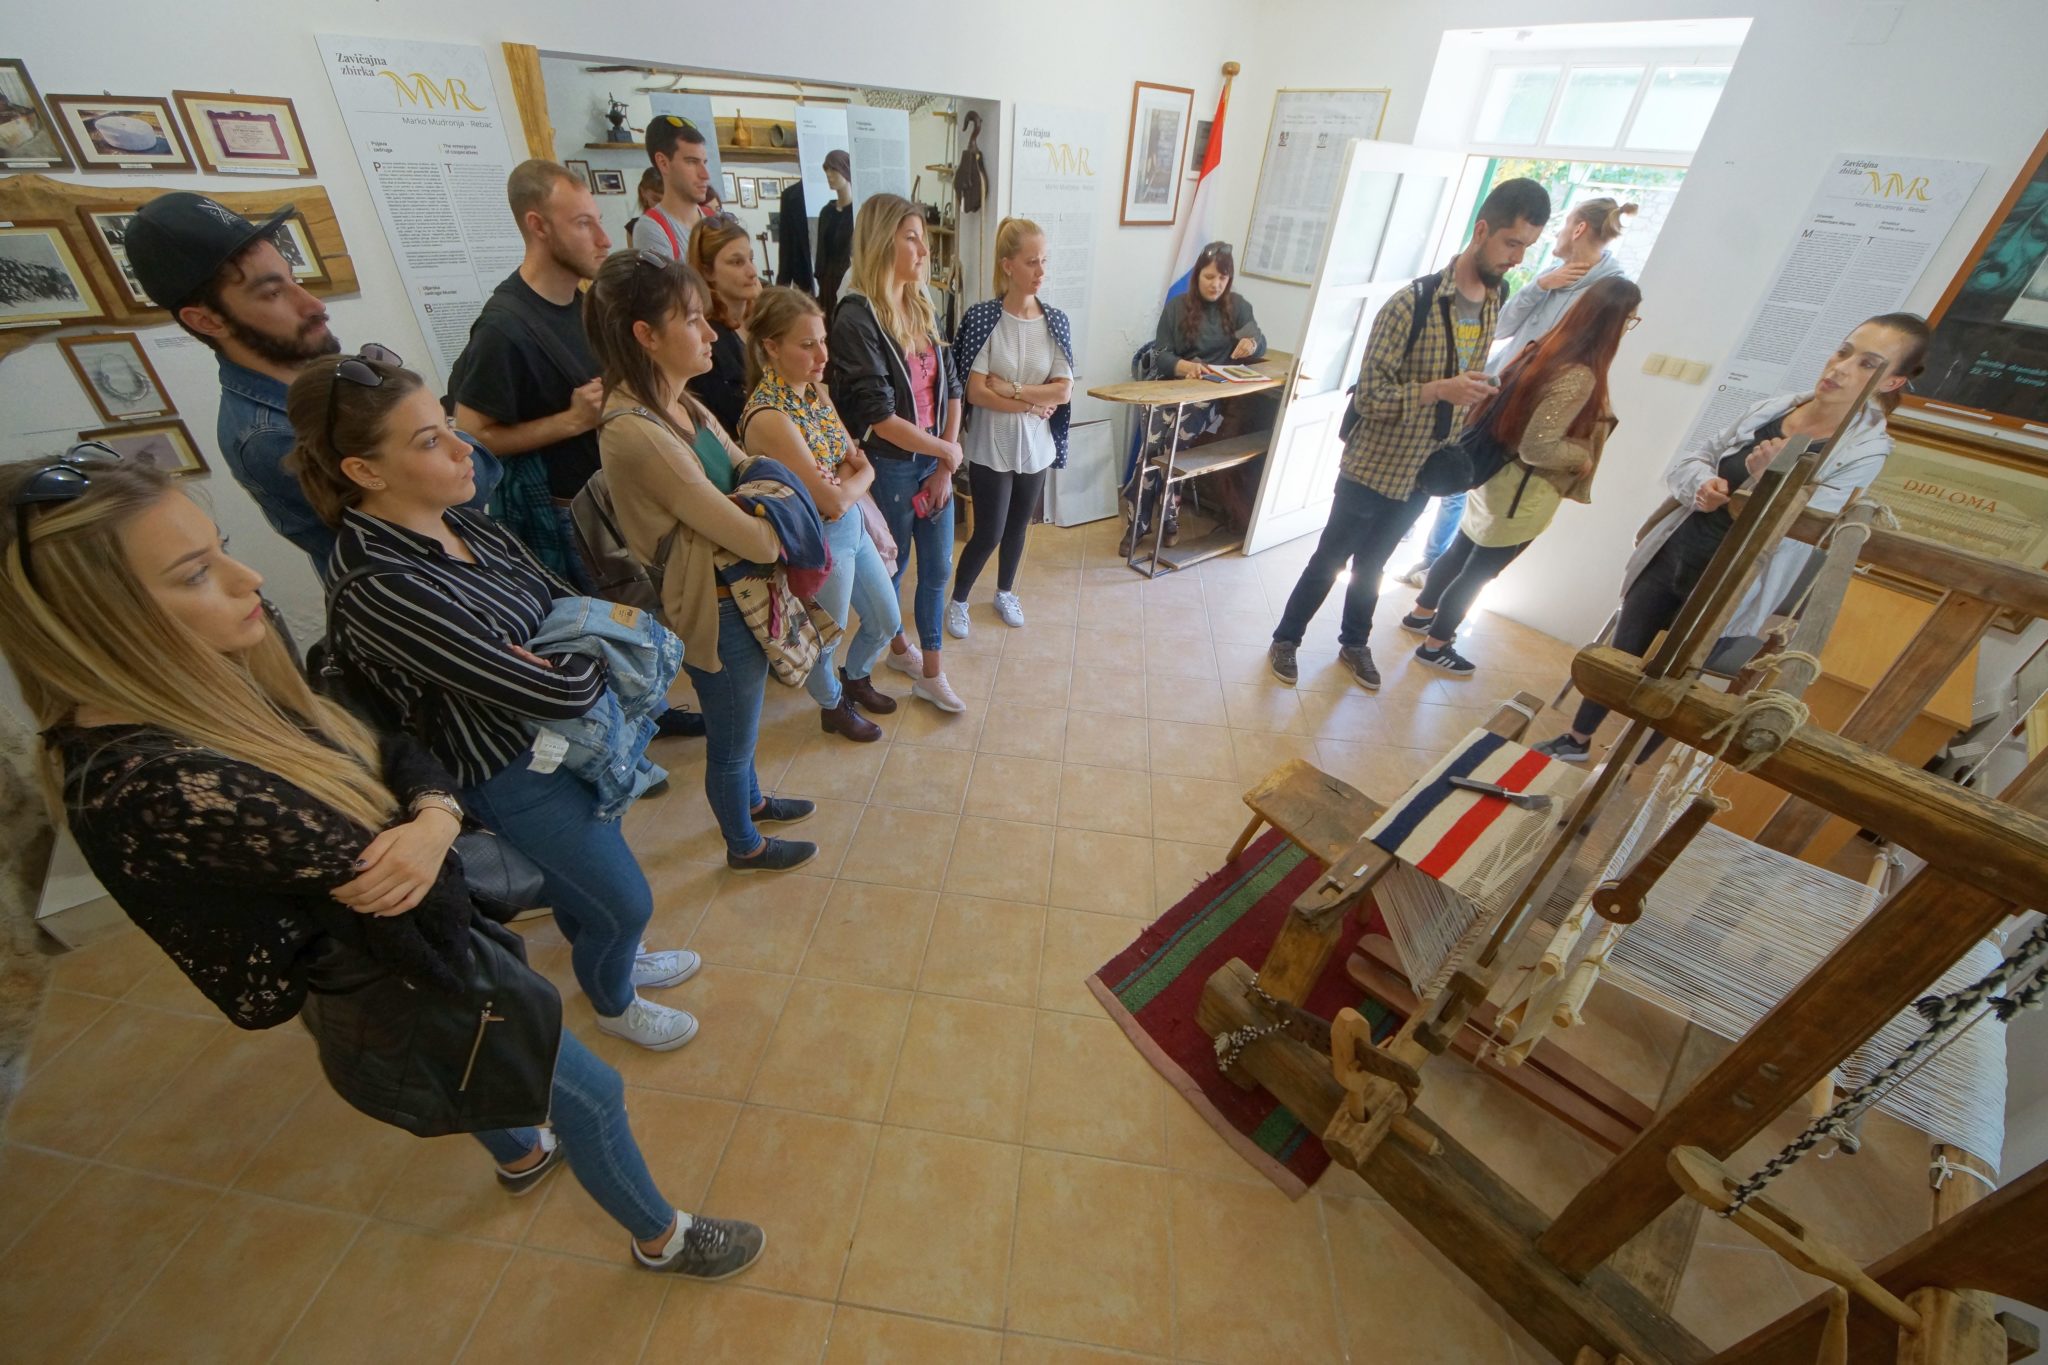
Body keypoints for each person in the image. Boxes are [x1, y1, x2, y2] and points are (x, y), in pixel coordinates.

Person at [0, 454, 764, 1278]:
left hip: (401, 954)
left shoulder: (214, 682)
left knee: (485, 1066)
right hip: (400, 974)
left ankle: (519, 1152)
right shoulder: (152, 785)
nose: (247, 576)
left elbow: (388, 748)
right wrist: (430, 826)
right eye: (194, 573)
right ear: (94, 619)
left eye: (220, 546)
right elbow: (413, 890)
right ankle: (662, 1238)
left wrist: (431, 817)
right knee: (592, 1095)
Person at [288, 348, 702, 1051]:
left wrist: (562, 643)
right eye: (430, 441)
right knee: (624, 902)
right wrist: (574, 646)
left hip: (565, 743)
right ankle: (614, 1001)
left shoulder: (461, 519)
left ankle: (618, 960)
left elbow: (565, 601)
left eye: (448, 426)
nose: (464, 450)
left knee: (586, 882)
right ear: (365, 471)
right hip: (508, 769)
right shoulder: (381, 585)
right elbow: (560, 682)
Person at [1534, 313, 1931, 762]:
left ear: (1892, 382)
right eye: (1844, 351)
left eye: (1867, 364)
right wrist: (1702, 486)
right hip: (1678, 550)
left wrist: (1762, 482)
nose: (1841, 368)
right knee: (1622, 653)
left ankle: (1623, 765)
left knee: (1678, 679)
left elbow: (1800, 526)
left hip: (1733, 582)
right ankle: (1577, 740)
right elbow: (1695, 458)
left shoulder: (1863, 451)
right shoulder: (1775, 409)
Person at [586, 249, 821, 872]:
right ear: (646, 335)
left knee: (743, 727)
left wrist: (757, 500)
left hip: (736, 590)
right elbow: (763, 540)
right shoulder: (636, 429)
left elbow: (751, 466)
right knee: (732, 739)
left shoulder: (680, 403)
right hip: (715, 608)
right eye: (692, 320)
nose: (712, 332)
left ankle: (753, 804)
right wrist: (765, 506)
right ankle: (744, 845)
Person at [1269, 178, 1551, 692]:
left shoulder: (1495, 298)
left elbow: (1465, 375)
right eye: (1511, 243)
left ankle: (1354, 643)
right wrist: (1438, 390)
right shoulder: (1409, 305)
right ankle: (1286, 639)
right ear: (1481, 231)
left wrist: (1477, 391)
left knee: (1374, 565)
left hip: (1426, 470)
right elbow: (1370, 396)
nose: (1517, 258)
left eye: (1527, 247)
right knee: (1330, 559)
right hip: (1373, 465)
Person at [123, 192, 498, 571]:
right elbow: (465, 493)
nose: (314, 305)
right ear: (206, 321)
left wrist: (437, 435)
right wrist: (451, 432)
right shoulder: (268, 436)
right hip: (428, 590)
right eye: (273, 292)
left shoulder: (321, 372)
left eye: (294, 279)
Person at [1399, 276, 1641, 676]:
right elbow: (1537, 448)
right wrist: (1580, 457)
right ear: (1614, 322)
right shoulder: (1579, 375)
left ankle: (1420, 616)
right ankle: (1435, 646)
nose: (1629, 328)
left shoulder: (1543, 348)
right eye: (1630, 320)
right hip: (1520, 493)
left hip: (1494, 478)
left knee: (1459, 551)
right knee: (1478, 573)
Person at [1399, 197, 1640, 588]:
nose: (1557, 234)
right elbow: (1499, 327)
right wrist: (1539, 286)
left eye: (1564, 224)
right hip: (1492, 391)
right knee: (1457, 469)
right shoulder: (1552, 273)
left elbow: (1574, 363)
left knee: (1476, 484)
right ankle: (1430, 563)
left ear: (1579, 228)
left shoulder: (1609, 290)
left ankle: (1433, 566)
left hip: (1528, 410)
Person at [740, 286, 901, 742]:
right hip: (820, 540)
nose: (823, 355)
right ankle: (832, 705)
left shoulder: (815, 393)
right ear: (772, 347)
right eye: (807, 344)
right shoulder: (769, 416)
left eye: (823, 340)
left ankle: (857, 677)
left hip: (850, 526)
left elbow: (854, 460)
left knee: (886, 620)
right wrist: (857, 476)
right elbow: (833, 499)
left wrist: (851, 476)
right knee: (823, 640)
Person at [828, 193, 968, 714]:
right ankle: (897, 647)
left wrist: (944, 462)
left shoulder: (921, 302)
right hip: (890, 465)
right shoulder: (855, 318)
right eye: (912, 238)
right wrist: (946, 451)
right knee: (894, 564)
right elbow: (880, 417)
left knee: (937, 568)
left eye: (923, 239)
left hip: (934, 459)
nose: (924, 251)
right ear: (882, 241)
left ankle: (931, 673)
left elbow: (954, 387)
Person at [447, 160, 610, 586]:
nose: (603, 239)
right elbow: (471, 434)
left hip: (607, 499)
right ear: (538, 226)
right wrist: (571, 421)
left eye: (598, 221)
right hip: (571, 518)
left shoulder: (584, 305)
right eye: (583, 224)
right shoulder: (504, 327)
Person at [946, 217, 1074, 636]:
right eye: (1032, 262)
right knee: (989, 531)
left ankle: (1004, 592)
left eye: (1044, 261)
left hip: (1036, 446)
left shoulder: (1055, 322)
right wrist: (1032, 401)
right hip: (991, 444)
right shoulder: (985, 319)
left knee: (1019, 528)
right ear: (1008, 265)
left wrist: (1014, 389)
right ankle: (958, 600)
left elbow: (1063, 391)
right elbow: (976, 392)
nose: (1041, 271)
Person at [1124, 240, 1267, 554]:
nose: (1216, 284)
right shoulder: (1177, 307)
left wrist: (1252, 343)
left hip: (1208, 396)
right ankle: (1140, 522)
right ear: (1197, 275)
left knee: (1172, 445)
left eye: (1222, 278)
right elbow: (1160, 353)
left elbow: (1257, 336)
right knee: (1151, 447)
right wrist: (1183, 366)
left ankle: (1168, 517)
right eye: (1209, 277)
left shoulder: (1238, 306)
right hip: (1170, 386)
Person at [685, 216, 762, 436]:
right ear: (707, 271)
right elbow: (736, 416)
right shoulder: (707, 336)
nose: (752, 271)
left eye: (751, 259)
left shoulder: (759, 320)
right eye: (737, 262)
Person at [632, 114, 710, 260]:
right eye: (692, 162)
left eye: (704, 163)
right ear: (663, 163)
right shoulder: (652, 228)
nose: (705, 175)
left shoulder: (713, 220)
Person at [815, 149, 855, 313]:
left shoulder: (857, 212)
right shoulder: (827, 212)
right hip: (827, 284)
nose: (829, 174)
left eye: (833, 169)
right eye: (827, 169)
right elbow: (821, 251)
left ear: (845, 170)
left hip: (848, 283)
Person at [624, 167, 663, 243]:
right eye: (656, 199)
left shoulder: (683, 225)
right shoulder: (634, 227)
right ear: (643, 193)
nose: (662, 206)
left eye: (668, 199)